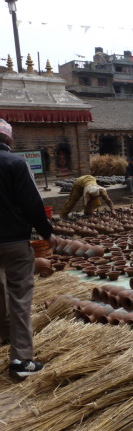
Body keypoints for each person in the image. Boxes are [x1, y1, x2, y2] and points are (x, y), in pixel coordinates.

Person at [0, 119, 55, 377]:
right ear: (9, 140)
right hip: (12, 241)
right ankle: (21, 360)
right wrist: (47, 233)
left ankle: (4, 335)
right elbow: (32, 203)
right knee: (20, 297)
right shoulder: (15, 164)